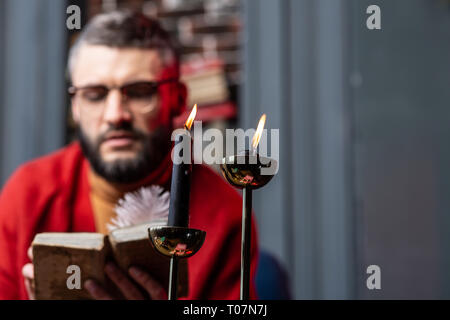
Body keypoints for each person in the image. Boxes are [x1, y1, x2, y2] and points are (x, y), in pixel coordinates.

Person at [0, 10, 258, 300]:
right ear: (74, 105)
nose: (115, 115)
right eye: (95, 94)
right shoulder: (27, 196)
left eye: (138, 92)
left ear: (178, 98)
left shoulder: (225, 214)